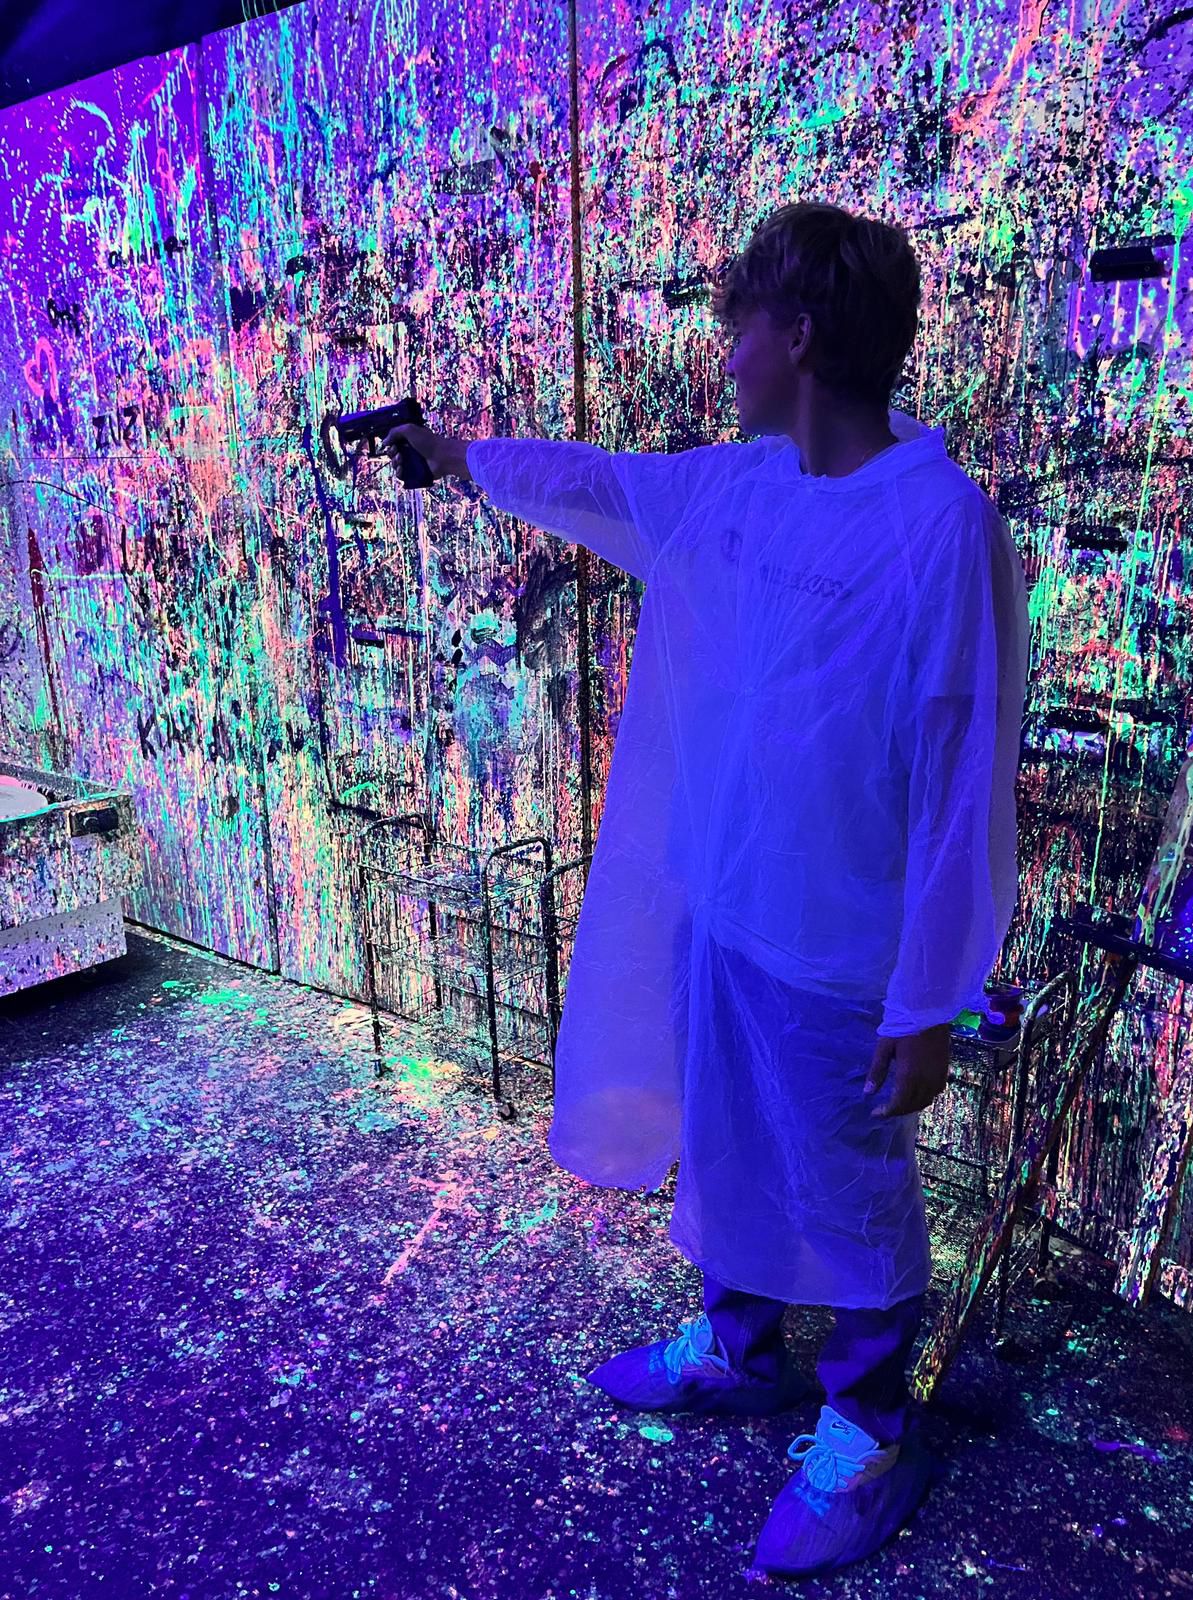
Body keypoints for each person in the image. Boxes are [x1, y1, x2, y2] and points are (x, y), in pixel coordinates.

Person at [381, 200, 1031, 1577]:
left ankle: (871, 1427)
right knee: (733, 1146)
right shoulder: (744, 488)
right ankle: (743, 1349)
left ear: (799, 336)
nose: (725, 350)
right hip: (730, 915)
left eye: (741, 325)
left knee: (849, 1184)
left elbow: (961, 777)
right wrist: (460, 460)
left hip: (845, 949)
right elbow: (606, 487)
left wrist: (930, 998)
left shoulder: (937, 526)